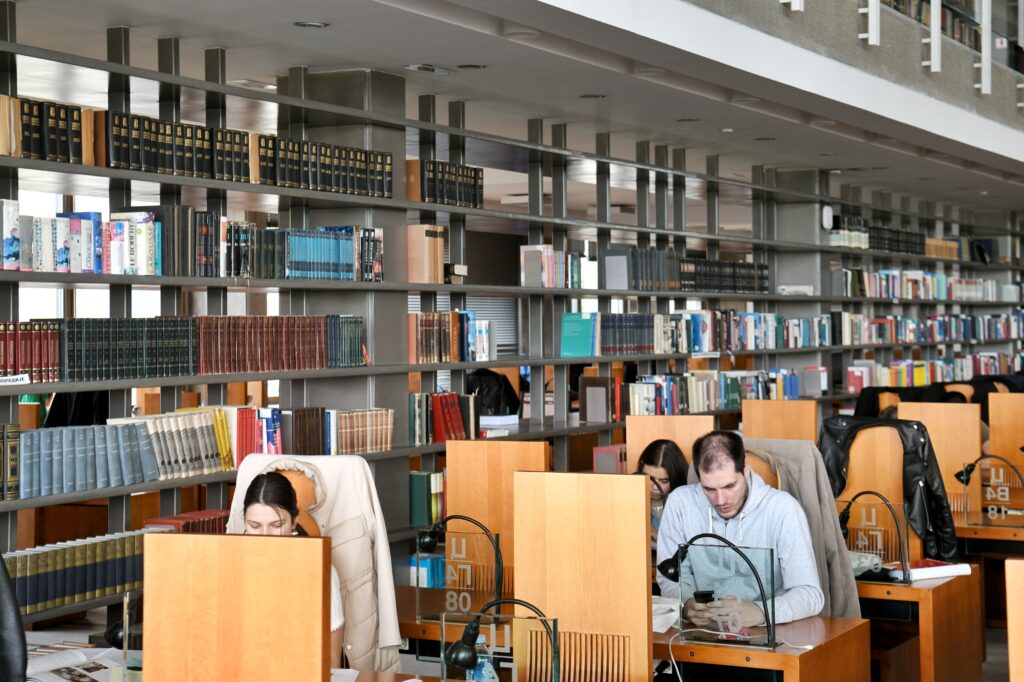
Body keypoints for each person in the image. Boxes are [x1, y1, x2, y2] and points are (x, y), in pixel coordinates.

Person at [656, 430, 824, 628]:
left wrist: (761, 611)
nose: (720, 501)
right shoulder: (680, 503)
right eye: (708, 489)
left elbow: (810, 595)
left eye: (729, 486)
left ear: (745, 469)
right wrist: (685, 604)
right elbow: (669, 580)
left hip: (770, 635)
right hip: (701, 633)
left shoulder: (783, 510)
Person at [240, 471, 344, 666]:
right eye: (254, 525)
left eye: (276, 525)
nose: (264, 536)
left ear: (294, 521)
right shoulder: (227, 567)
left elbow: (331, 662)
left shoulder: (320, 571)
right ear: (244, 521)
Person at [636, 439, 688, 546]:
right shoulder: (629, 496)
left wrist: (656, 533)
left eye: (664, 481)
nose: (654, 487)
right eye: (649, 478)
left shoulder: (686, 504)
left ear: (676, 478)